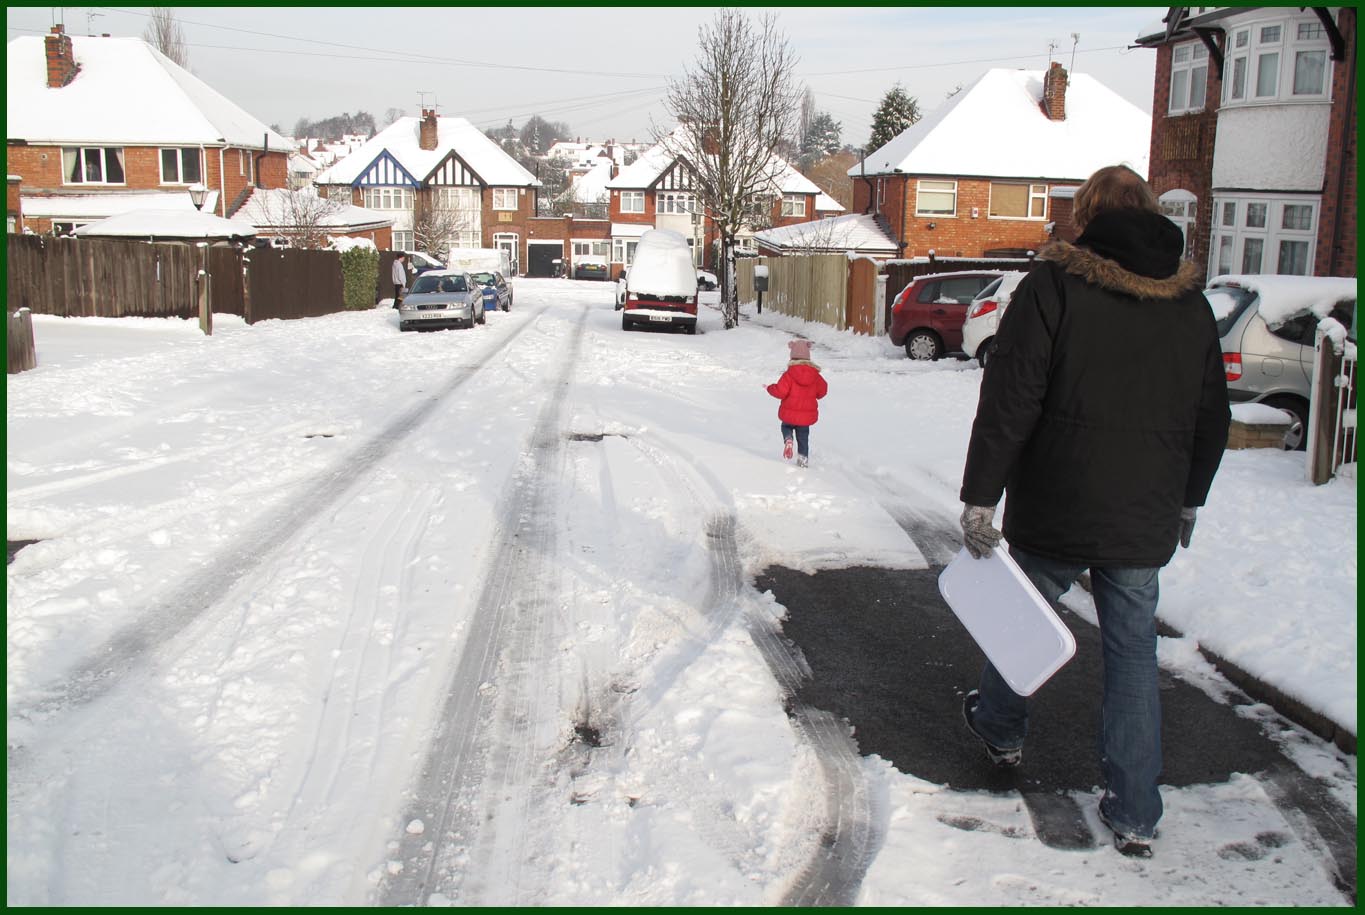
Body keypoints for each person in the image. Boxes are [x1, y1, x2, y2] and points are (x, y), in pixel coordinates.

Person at [955, 164, 1230, 859]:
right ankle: (1135, 808)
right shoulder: (1189, 303)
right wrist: (1189, 497)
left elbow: (1011, 395)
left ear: (1086, 217)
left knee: (1025, 620)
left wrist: (981, 493)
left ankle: (999, 725)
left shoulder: (1053, 286)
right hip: (1144, 512)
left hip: (1058, 498)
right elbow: (1211, 414)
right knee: (1133, 655)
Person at [765, 339, 828, 468]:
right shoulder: (815, 375)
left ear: (792, 356)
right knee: (803, 438)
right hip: (806, 418)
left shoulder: (789, 374)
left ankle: (788, 439)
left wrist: (769, 388)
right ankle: (803, 461)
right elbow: (822, 391)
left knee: (786, 426)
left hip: (789, 414)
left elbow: (780, 392)